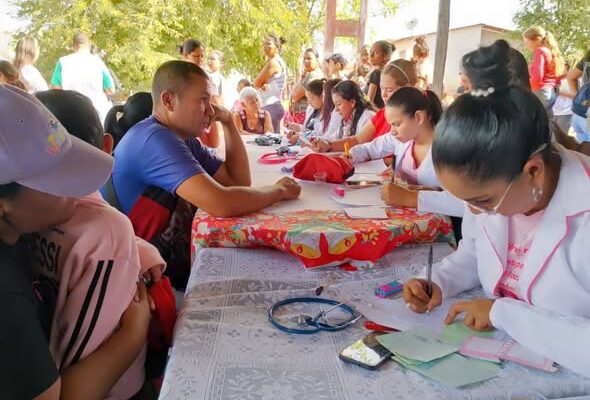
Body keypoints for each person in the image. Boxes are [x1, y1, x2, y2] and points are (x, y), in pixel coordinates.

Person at [402, 69, 590, 378]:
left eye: (483, 201)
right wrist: (437, 280)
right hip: (505, 355)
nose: (473, 213)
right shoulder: (502, 189)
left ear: (533, 172)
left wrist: (503, 313)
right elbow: (474, 253)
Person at [0, 84, 152, 400]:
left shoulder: (16, 230)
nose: (76, 184)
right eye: (54, 178)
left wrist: (138, 249)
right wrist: (132, 335)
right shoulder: (6, 298)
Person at [109, 59, 300, 219]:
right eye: (203, 100)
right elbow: (222, 204)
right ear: (169, 101)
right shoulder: (155, 139)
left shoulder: (183, 138)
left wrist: (227, 120)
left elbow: (237, 181)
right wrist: (279, 191)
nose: (210, 110)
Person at [346, 87, 464, 217]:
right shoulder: (403, 139)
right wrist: (348, 157)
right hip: (403, 218)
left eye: (396, 124)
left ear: (418, 117)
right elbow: (369, 149)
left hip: (438, 224)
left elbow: (465, 203)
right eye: (391, 125)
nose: (392, 131)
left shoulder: (449, 150)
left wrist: (410, 198)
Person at [312, 59, 417, 153]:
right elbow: (358, 140)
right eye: (382, 89)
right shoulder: (382, 115)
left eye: (389, 90)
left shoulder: (415, 120)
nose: (384, 95)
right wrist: (329, 145)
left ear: (408, 88)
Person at [50, 32, 115, 124]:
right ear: (89, 45)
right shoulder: (97, 62)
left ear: (74, 46)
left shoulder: (62, 62)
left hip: (71, 113)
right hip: (97, 114)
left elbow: (55, 89)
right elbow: (110, 90)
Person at [178, 38, 220, 148]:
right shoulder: (177, 77)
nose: (200, 60)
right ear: (185, 55)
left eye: (202, 56)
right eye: (196, 56)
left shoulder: (205, 78)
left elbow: (214, 142)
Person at [522, 26, 565, 114]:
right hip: (550, 93)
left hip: (540, 93)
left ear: (537, 39)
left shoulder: (540, 51)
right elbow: (556, 77)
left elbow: (537, 77)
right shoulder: (550, 52)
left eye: (527, 42)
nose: (526, 46)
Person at [253, 34, 287, 132]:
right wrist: (262, 84)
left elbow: (255, 83)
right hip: (273, 105)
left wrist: (260, 84)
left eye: (268, 44)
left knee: (268, 140)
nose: (265, 47)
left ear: (277, 47)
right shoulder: (279, 62)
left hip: (270, 106)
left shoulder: (273, 63)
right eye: (264, 44)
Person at [289, 49, 323, 125]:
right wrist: (302, 78)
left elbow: (295, 96)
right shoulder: (310, 74)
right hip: (305, 113)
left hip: (304, 113)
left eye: (309, 58)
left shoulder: (313, 76)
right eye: (304, 58)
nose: (306, 61)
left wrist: (302, 79)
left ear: (317, 60)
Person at [285, 78, 325, 144]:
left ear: (322, 97)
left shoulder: (329, 114)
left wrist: (300, 136)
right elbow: (306, 129)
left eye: (312, 99)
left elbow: (320, 134)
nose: (309, 102)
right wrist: (297, 128)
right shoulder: (311, 109)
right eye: (307, 98)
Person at [567, 47, 590, 142]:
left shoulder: (588, 55)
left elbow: (570, 77)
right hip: (587, 117)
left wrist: (578, 96)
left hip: (578, 113)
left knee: (583, 149)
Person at [367, 40, 395, 109]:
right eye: (371, 52)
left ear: (385, 56)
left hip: (375, 111)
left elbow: (369, 101)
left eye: (376, 52)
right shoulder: (389, 72)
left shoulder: (376, 73)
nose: (371, 55)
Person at [552, 63, 574, 134]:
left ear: (567, 70)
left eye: (562, 68)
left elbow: (576, 95)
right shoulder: (552, 80)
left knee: (562, 136)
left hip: (565, 113)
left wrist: (559, 92)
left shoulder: (572, 80)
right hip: (553, 112)